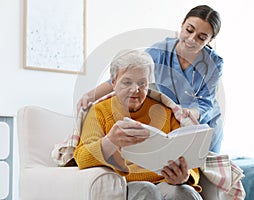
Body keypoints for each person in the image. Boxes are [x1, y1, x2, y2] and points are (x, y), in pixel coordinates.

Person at [77, 5, 223, 153]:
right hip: (170, 119)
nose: (192, 39)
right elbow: (126, 75)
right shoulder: (159, 51)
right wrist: (91, 95)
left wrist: (192, 112)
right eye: (189, 30)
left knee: (205, 167)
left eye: (202, 37)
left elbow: (206, 101)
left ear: (211, 39)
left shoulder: (214, 64)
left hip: (202, 121)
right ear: (182, 24)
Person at [74, 49, 203, 200]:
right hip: (127, 183)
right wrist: (110, 141)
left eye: (142, 83)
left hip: (165, 182)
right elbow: (82, 157)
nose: (135, 90)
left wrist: (184, 177)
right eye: (127, 82)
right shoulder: (98, 111)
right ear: (114, 83)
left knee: (186, 193)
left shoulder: (166, 112)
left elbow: (190, 157)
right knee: (147, 191)